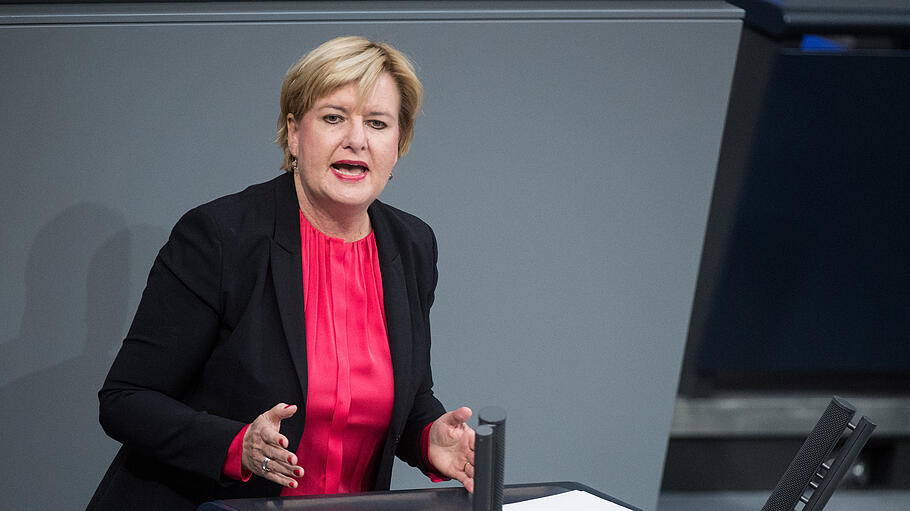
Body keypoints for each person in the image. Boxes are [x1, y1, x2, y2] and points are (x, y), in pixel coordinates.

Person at [88, 36, 475, 511]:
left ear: (399, 144)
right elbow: (126, 399)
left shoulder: (412, 244)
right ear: (294, 133)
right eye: (334, 118)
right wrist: (236, 445)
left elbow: (406, 394)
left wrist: (428, 437)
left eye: (377, 123)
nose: (356, 139)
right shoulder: (220, 235)